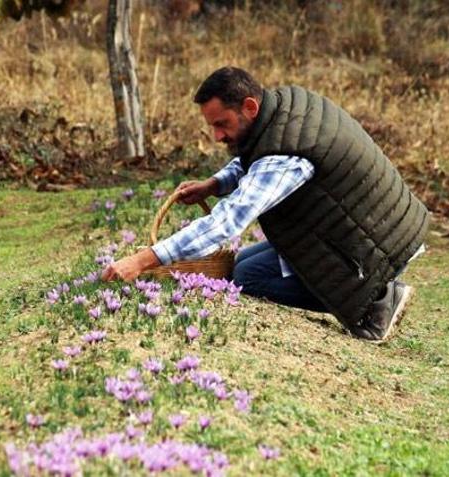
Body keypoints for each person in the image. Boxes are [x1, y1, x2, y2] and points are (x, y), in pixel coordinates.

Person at [102, 66, 429, 342]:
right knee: (241, 267)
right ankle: (372, 290)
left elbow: (226, 222)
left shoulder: (287, 155)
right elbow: (252, 157)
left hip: (371, 246)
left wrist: (143, 260)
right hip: (371, 225)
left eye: (221, 124)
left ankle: (375, 300)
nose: (216, 136)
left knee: (248, 278)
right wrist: (215, 184)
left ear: (249, 107)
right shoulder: (282, 110)